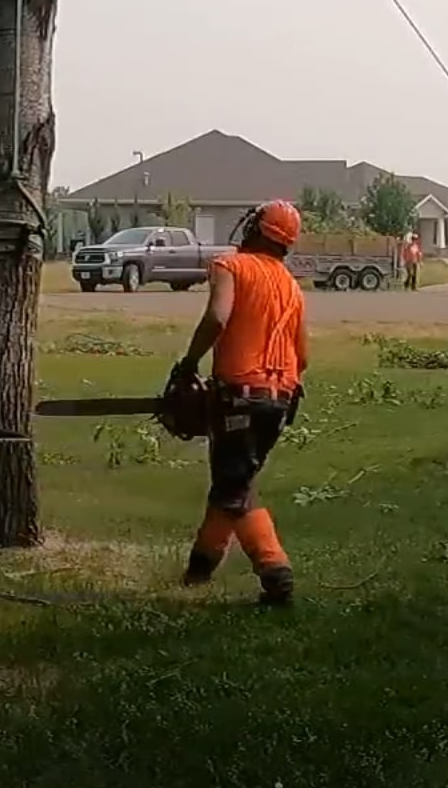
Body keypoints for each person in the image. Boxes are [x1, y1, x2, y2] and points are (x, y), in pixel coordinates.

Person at [170, 199, 309, 606]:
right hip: (280, 400)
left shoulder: (231, 266)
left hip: (239, 396)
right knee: (234, 485)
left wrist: (189, 364)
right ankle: (198, 572)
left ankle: (275, 571)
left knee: (234, 491)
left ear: (256, 229)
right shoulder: (292, 286)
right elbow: (303, 356)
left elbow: (218, 317)